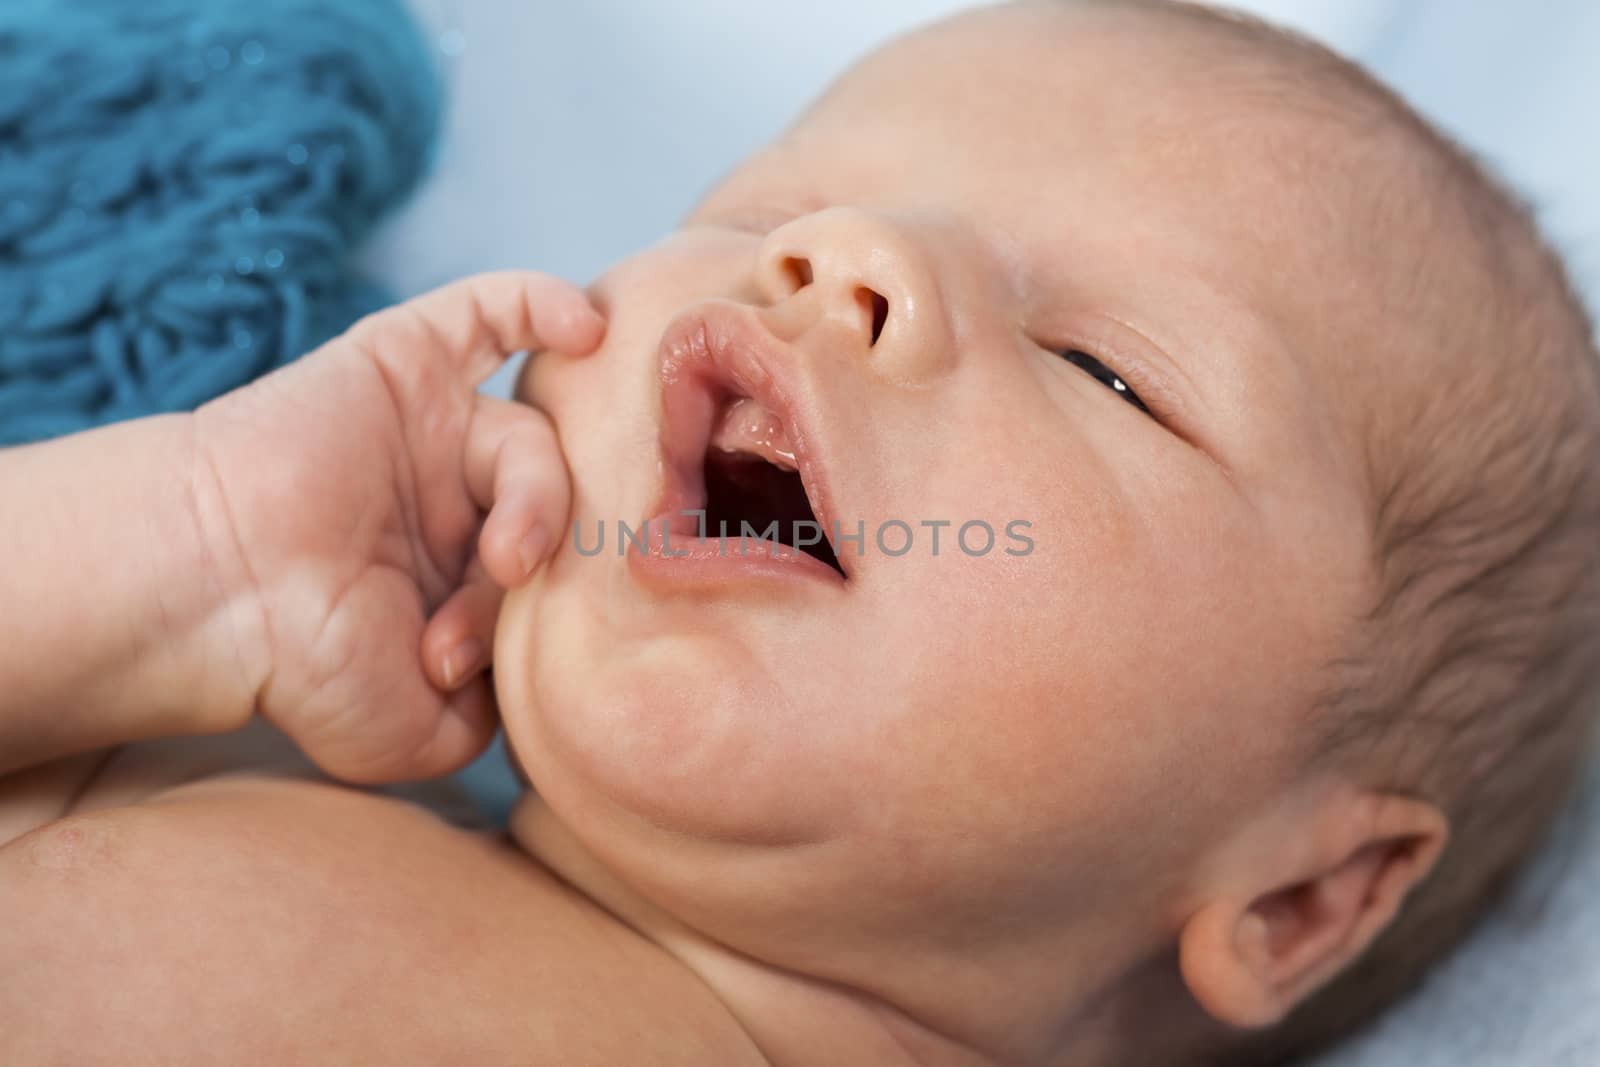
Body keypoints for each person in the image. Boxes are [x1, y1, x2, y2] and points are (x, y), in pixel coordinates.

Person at [5, 2, 1599, 1064]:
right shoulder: (210, 779)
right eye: (768, 215)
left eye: (1106, 372)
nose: (848, 253)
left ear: (1298, 902)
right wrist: (192, 548)